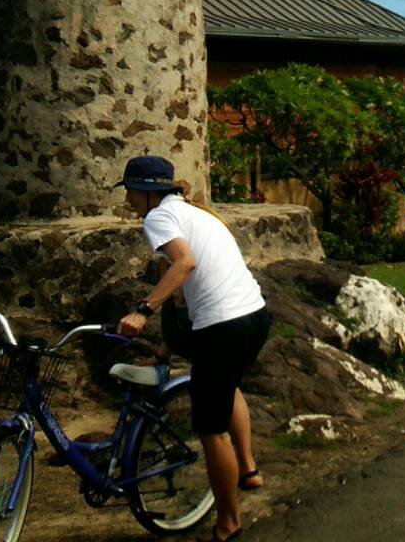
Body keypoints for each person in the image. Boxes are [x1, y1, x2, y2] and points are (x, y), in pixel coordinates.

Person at [113, 156, 269, 542]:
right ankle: (248, 469)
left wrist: (142, 310)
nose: (129, 200)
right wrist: (166, 352)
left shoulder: (159, 219)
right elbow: (189, 287)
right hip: (254, 316)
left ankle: (228, 524)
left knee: (210, 430)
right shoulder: (199, 214)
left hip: (224, 326)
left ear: (148, 192)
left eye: (131, 191)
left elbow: (184, 265)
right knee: (226, 385)